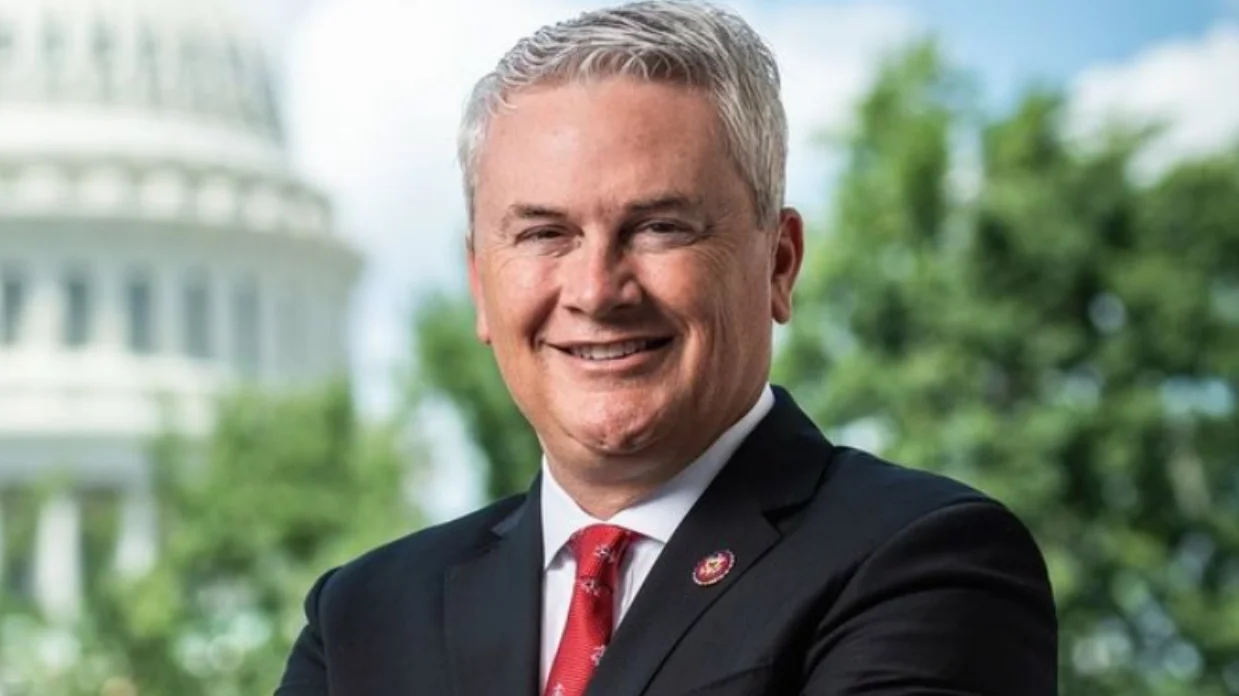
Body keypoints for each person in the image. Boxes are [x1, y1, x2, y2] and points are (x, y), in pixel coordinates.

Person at [275, 2, 1058, 694]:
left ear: (779, 263)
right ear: (480, 284)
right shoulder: (363, 617)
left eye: (658, 227)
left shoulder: (924, 562)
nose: (595, 289)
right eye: (544, 234)